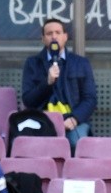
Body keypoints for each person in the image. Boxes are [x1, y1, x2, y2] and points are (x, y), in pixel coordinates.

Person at [21, 18, 97, 155]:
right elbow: (28, 100)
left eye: (58, 32)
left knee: (77, 143)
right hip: (43, 121)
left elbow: (90, 98)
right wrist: (47, 82)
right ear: (43, 39)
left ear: (65, 37)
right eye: (49, 33)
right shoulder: (33, 63)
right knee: (33, 147)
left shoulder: (81, 63)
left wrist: (74, 119)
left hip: (74, 121)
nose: (54, 36)